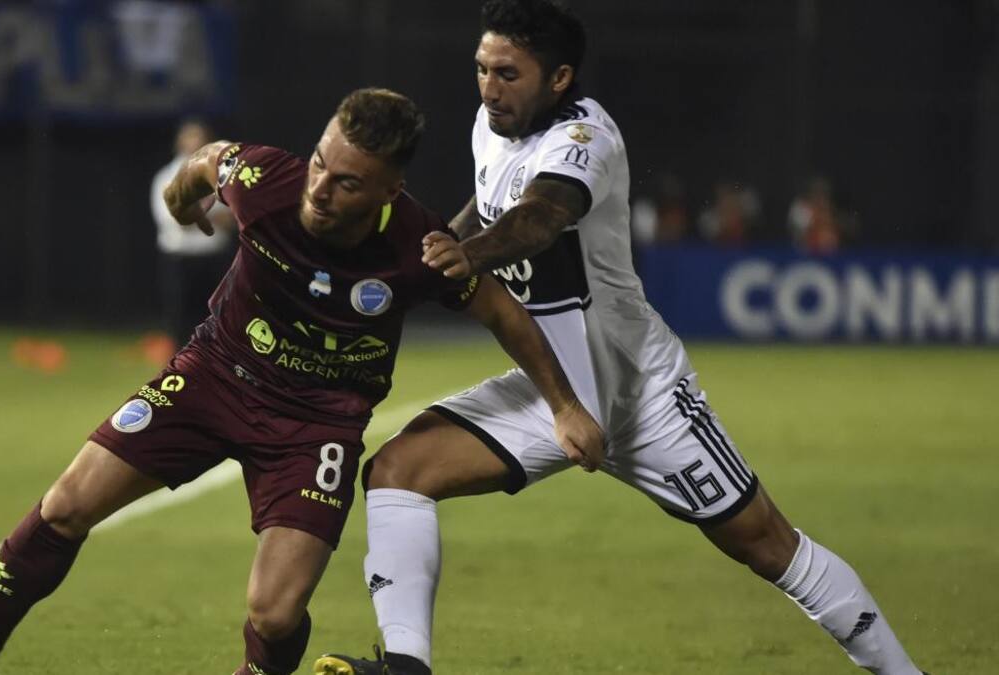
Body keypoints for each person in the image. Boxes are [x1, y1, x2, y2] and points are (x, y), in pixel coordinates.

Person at [315, 3, 927, 675]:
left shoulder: (586, 140)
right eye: (482, 69)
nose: (489, 87)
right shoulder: (491, 126)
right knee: (398, 471)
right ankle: (406, 667)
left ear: (559, 78)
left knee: (767, 545)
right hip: (551, 388)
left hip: (641, 394)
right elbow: (488, 209)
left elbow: (541, 217)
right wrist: (443, 248)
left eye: (508, 73)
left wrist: (473, 254)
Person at [0, 87, 605, 675]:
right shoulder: (266, 182)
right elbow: (208, 163)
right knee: (64, 505)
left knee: (273, 613)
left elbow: (504, 314)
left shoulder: (418, 248)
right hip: (212, 379)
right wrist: (185, 200)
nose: (320, 190)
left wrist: (566, 407)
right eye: (321, 163)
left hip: (316, 425)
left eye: (347, 182)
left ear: (390, 190)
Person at [151, 118, 237, 346]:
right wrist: (208, 217)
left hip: (215, 259)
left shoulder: (222, 176)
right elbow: (179, 221)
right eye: (189, 136)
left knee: (217, 321)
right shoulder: (166, 177)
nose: (194, 142)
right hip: (180, 260)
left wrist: (195, 214)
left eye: (199, 137)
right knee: (180, 322)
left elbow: (233, 217)